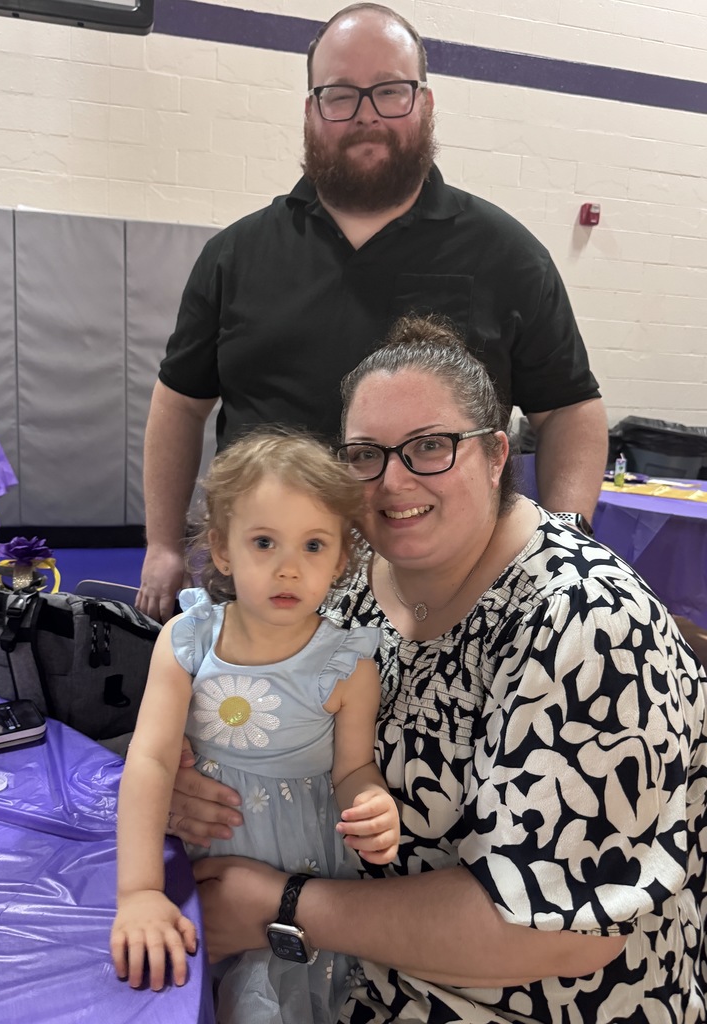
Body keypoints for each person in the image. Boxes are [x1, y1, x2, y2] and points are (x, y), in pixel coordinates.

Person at [166, 315, 707, 1023]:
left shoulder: (585, 624)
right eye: (364, 454)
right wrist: (193, 767)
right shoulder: (349, 578)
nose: (392, 481)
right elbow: (248, 684)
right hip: (339, 975)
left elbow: (557, 935)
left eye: (430, 447)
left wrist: (281, 907)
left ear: (495, 456)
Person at [137, 2, 608, 623]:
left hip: (449, 604)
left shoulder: (508, 255)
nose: (366, 116)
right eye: (340, 95)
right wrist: (163, 543)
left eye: (390, 92)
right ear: (311, 110)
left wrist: (563, 547)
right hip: (269, 594)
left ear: (426, 104)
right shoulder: (235, 256)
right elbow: (178, 404)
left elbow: (571, 410)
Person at [111, 430, 400, 1023]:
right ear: (222, 550)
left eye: (314, 546)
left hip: (303, 862)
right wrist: (137, 891)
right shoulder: (187, 641)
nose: (289, 568)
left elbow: (352, 767)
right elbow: (151, 761)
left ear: (342, 560)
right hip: (205, 853)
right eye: (264, 542)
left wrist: (371, 803)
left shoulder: (349, 663)